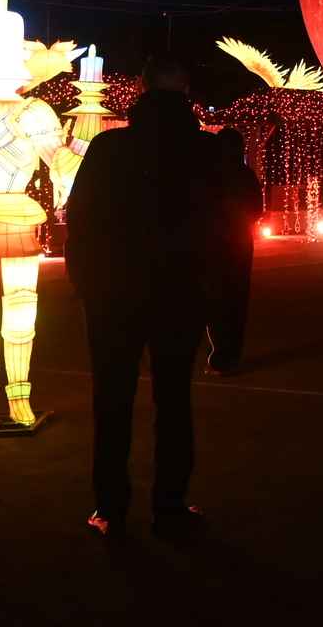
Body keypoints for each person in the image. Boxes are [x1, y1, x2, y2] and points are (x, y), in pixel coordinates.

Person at [64, 54, 255, 539]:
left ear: (143, 89)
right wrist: (217, 293)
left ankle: (110, 506)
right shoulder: (208, 152)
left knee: (112, 400)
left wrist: (86, 283)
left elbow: (80, 220)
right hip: (182, 291)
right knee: (174, 400)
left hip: (114, 294)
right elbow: (228, 227)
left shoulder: (109, 149)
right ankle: (169, 505)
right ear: (186, 89)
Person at [204, 127, 261, 374]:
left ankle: (221, 355)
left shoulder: (212, 176)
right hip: (240, 242)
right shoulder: (246, 175)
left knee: (216, 300)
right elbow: (257, 209)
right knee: (236, 300)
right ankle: (231, 353)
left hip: (216, 245)